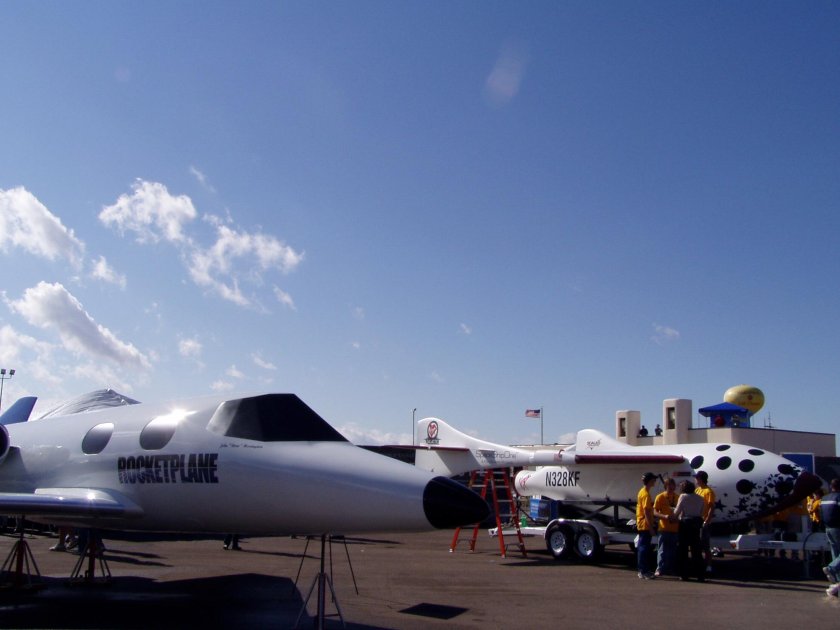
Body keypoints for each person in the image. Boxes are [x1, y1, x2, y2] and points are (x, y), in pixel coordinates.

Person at [673, 479, 705, 581]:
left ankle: (684, 574)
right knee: (696, 551)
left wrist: (673, 514)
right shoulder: (700, 498)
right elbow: (701, 511)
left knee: (683, 550)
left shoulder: (683, 497)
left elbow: (677, 511)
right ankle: (700, 575)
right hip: (696, 523)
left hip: (685, 524)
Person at [653, 477, 678, 576]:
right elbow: (655, 512)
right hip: (664, 528)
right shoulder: (660, 497)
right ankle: (659, 569)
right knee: (662, 550)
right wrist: (664, 516)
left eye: (673, 486)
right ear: (665, 486)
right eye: (669, 486)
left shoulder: (678, 497)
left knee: (673, 550)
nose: (671, 488)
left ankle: (670, 568)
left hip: (675, 527)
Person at [636, 472, 657, 579]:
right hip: (644, 524)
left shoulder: (642, 492)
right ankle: (643, 571)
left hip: (642, 523)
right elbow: (647, 512)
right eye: (653, 480)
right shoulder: (646, 494)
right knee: (644, 548)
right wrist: (651, 527)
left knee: (642, 547)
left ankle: (642, 570)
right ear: (649, 481)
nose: (655, 482)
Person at [820, 478, 840, 596]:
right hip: (838, 527)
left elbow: (821, 513)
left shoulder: (825, 498)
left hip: (828, 528)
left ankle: (837, 581)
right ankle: (831, 568)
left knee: (835, 553)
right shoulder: (838, 497)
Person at [694, 471, 716, 573]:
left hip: (704, 521)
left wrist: (707, 520)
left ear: (701, 479)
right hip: (696, 520)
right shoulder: (697, 490)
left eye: (697, 478)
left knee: (705, 545)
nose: (695, 480)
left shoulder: (708, 491)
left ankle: (709, 565)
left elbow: (711, 507)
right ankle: (698, 564)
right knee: (696, 545)